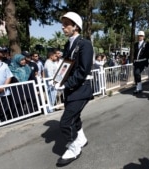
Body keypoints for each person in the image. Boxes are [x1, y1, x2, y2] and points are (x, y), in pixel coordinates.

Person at [54, 11, 94, 166]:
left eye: (66, 25)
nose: (63, 28)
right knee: (75, 118)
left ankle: (74, 148)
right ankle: (81, 139)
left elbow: (83, 70)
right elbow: (67, 68)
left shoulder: (85, 44)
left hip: (81, 89)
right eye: (62, 24)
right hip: (71, 89)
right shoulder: (68, 44)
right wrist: (58, 80)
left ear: (76, 27)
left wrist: (66, 84)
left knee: (66, 122)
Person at [0, 46, 13, 123]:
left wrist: (4, 87)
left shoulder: (4, 65)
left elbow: (9, 76)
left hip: (4, 93)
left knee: (4, 111)